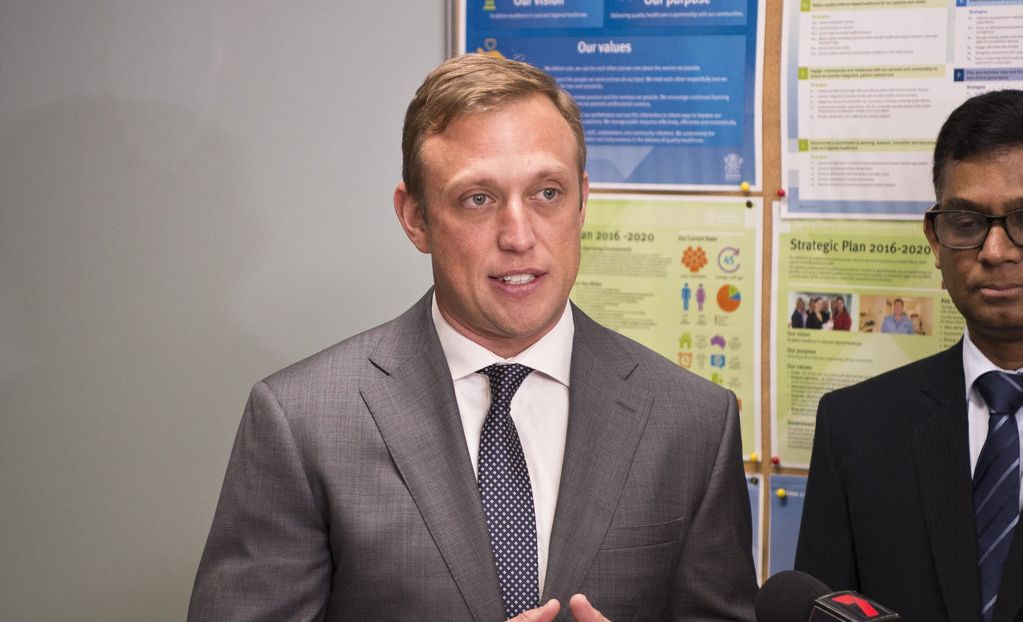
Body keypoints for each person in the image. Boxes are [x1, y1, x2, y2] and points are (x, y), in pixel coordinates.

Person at [188, 54, 757, 622]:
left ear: (583, 200)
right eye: (478, 199)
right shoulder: (303, 421)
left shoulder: (692, 422)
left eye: (547, 193)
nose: (518, 236)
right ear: (415, 218)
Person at [795, 89, 1023, 622]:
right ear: (935, 241)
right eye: (966, 223)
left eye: (1022, 219)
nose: (995, 251)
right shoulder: (855, 427)